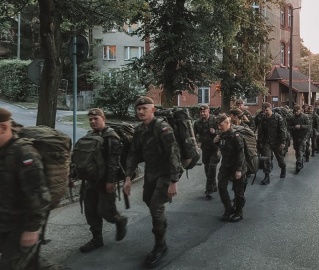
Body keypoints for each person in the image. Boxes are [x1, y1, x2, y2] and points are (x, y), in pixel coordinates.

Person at [123, 97, 184, 268]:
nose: (140, 112)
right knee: (148, 201)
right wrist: (128, 177)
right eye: (138, 109)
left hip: (165, 174)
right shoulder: (140, 130)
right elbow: (133, 154)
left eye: (144, 108)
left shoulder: (163, 128)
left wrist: (174, 181)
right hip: (151, 173)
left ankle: (160, 246)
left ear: (153, 109)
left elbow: (173, 155)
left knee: (155, 208)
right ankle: (160, 224)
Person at [0, 107, 62, 270]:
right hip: (5, 223)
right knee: (32, 264)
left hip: (22, 225)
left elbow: (39, 195)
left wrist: (32, 229)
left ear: (3, 127)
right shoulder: (2, 151)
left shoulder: (24, 153)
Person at [76, 108, 128, 253]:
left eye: (95, 119)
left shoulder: (111, 137)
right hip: (91, 180)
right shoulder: (89, 135)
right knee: (90, 211)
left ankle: (119, 220)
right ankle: (97, 239)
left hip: (105, 180)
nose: (92, 121)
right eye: (90, 119)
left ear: (103, 118)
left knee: (106, 211)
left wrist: (111, 181)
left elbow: (114, 161)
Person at [213, 114, 246, 222]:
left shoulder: (235, 136)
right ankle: (229, 209)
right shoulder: (221, 135)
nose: (219, 127)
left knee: (238, 190)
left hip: (236, 165)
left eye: (221, 125)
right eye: (218, 125)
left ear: (228, 123)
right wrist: (216, 142)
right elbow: (222, 148)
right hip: (226, 165)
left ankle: (239, 212)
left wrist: (239, 170)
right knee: (221, 186)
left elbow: (241, 153)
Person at [193, 105, 219, 200]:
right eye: (201, 112)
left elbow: (222, 131)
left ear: (208, 111)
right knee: (207, 167)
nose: (202, 113)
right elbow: (194, 134)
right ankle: (213, 185)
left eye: (204, 111)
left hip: (215, 148)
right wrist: (196, 143)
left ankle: (209, 189)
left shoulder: (215, 120)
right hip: (205, 148)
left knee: (212, 167)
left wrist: (215, 131)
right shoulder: (197, 123)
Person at [257, 102, 287, 184]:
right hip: (266, 141)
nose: (265, 112)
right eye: (264, 110)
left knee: (280, 158)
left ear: (270, 109)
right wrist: (260, 141)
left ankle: (283, 169)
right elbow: (261, 130)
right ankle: (267, 176)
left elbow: (282, 130)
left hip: (277, 141)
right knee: (266, 159)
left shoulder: (278, 117)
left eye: (266, 110)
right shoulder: (263, 118)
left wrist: (283, 142)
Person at [288, 105, 310, 173]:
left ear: (300, 110)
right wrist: (294, 127)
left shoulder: (305, 117)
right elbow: (288, 127)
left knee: (300, 151)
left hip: (303, 136)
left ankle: (298, 164)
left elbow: (308, 126)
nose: (296, 112)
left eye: (297, 110)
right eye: (295, 111)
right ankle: (300, 161)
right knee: (297, 151)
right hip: (295, 137)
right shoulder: (292, 117)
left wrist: (301, 126)